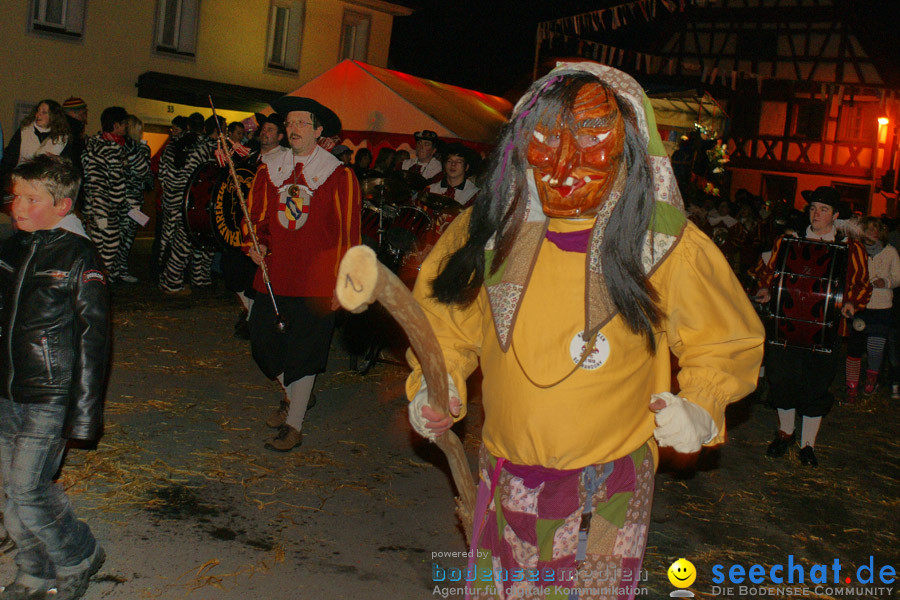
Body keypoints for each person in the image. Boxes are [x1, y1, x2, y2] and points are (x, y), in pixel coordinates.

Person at [406, 62, 764, 599]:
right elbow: (444, 326)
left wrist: (703, 406)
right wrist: (437, 385)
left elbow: (724, 340)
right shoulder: (489, 231)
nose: (565, 162)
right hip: (506, 471)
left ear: (631, 147)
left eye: (593, 137)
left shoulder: (663, 245)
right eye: (546, 140)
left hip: (609, 485)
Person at [0, 155, 109, 600]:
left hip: (51, 395)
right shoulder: (12, 247)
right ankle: (34, 567)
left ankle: (78, 554)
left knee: (29, 489)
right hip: (7, 390)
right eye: (14, 195)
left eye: (31, 198)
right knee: (8, 491)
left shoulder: (79, 256)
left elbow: (94, 340)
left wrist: (83, 415)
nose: (17, 206)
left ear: (63, 205)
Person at [243, 95, 360, 452]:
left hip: (317, 280)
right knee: (263, 344)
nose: (292, 130)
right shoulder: (270, 170)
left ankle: (294, 424)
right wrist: (257, 244)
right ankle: (297, 393)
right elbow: (258, 220)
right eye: (289, 123)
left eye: (301, 124)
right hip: (275, 274)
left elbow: (348, 235)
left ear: (319, 131)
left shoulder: (339, 176)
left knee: (305, 350)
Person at [754, 186, 871, 466]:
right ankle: (785, 433)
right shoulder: (788, 241)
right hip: (786, 328)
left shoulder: (849, 248)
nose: (816, 214)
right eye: (813, 208)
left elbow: (861, 284)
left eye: (824, 209)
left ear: (836, 215)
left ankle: (808, 444)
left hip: (825, 332)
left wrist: (851, 303)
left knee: (815, 386)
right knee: (782, 380)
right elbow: (767, 273)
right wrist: (766, 290)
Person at [158, 116, 220, 294]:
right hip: (187, 203)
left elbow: (162, 176)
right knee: (182, 244)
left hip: (169, 201)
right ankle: (173, 283)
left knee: (167, 240)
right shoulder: (204, 148)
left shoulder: (170, 146)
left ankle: (164, 278)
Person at [845, 216, 900, 399]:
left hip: (882, 307)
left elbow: (898, 277)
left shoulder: (890, 252)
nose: (872, 233)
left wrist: (885, 281)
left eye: (876, 229)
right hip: (860, 305)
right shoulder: (856, 250)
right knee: (855, 346)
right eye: (868, 229)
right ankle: (851, 384)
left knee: (875, 348)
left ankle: (871, 381)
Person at [81, 106, 134, 280]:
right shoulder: (101, 148)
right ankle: (97, 286)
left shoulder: (116, 145)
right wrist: (101, 214)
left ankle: (99, 285)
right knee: (103, 253)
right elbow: (97, 184)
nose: (126, 127)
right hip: (102, 211)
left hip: (111, 210)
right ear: (116, 124)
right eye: (124, 123)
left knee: (106, 253)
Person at [115, 114, 152, 283]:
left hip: (132, 199)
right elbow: (141, 170)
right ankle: (118, 271)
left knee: (126, 238)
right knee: (122, 238)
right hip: (125, 200)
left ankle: (118, 270)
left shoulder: (135, 148)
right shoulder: (128, 148)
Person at [1, 100, 72, 181]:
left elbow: (66, 167)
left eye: (44, 112)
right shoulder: (24, 132)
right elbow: (9, 159)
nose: (38, 115)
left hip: (47, 184)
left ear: (53, 116)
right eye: (38, 111)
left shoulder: (62, 139)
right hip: (22, 180)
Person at [424, 142, 479, 207]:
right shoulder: (431, 190)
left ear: (466, 167)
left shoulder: (474, 194)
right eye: (449, 161)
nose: (453, 164)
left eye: (459, 162)